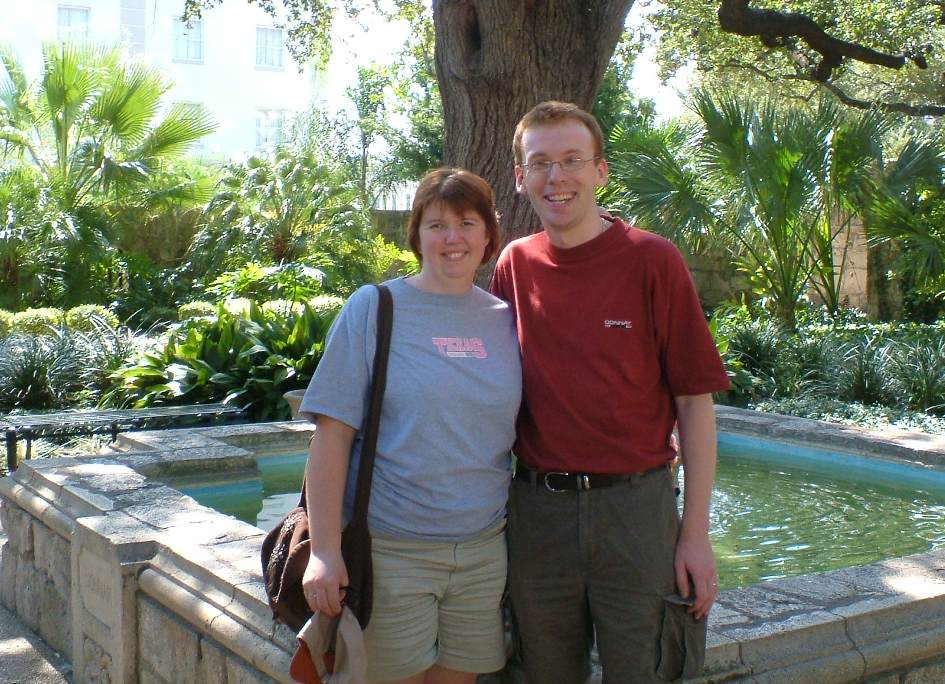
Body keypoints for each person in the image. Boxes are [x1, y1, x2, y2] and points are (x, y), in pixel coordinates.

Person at [490, 101, 730, 683]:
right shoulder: (513, 266)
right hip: (537, 515)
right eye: (540, 163)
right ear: (521, 179)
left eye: (573, 160)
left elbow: (694, 404)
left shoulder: (653, 261)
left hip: (637, 514)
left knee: (647, 672)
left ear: (600, 171)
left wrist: (694, 535)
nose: (558, 177)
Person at [298, 167, 522, 684]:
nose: (452, 238)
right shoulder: (375, 309)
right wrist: (325, 553)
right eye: (436, 224)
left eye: (467, 223)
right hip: (392, 550)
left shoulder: (506, 319)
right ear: (416, 233)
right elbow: (331, 438)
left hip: (485, 550)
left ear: (489, 235)